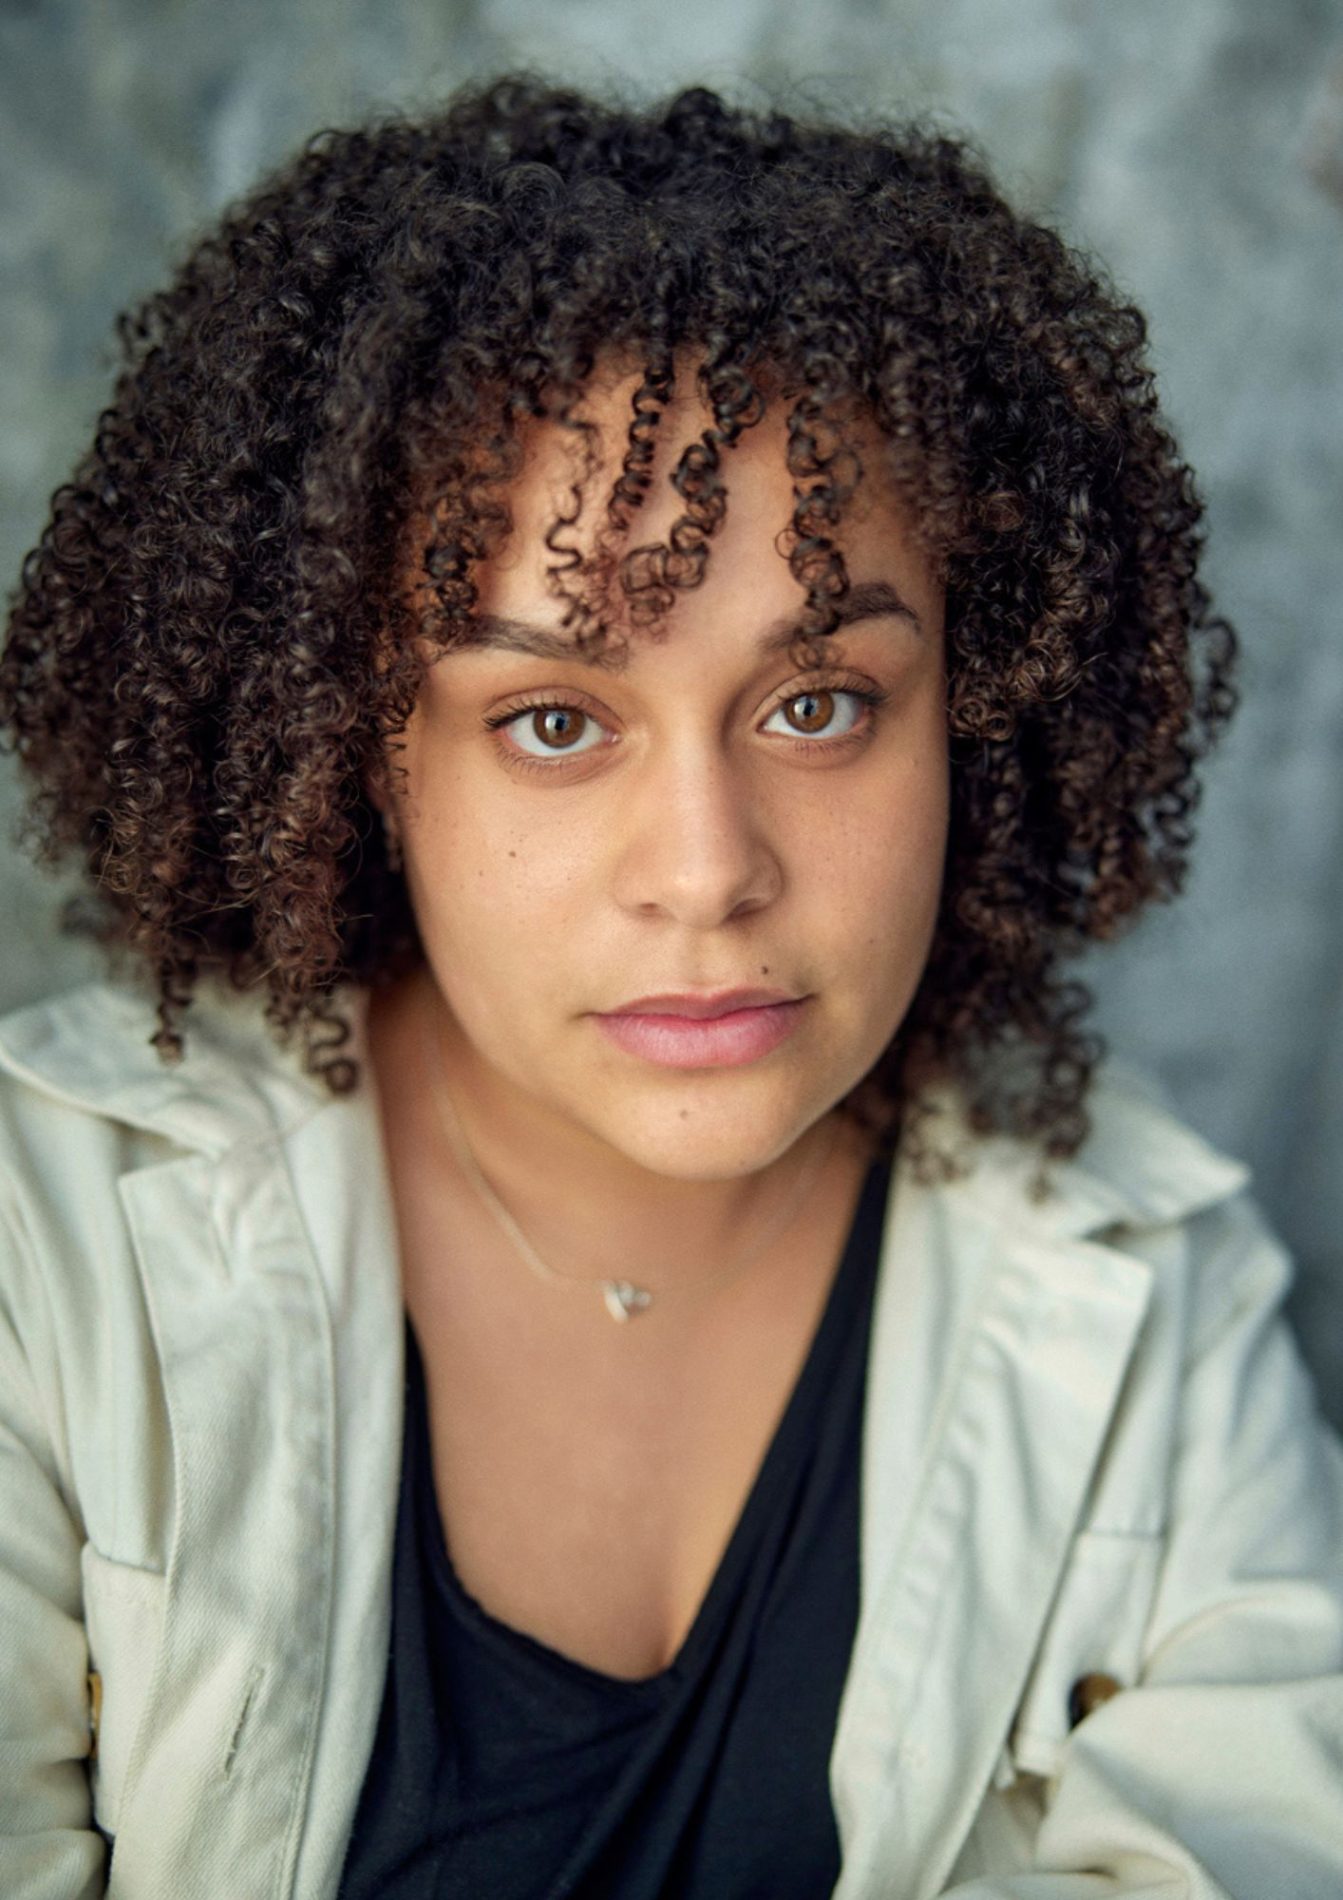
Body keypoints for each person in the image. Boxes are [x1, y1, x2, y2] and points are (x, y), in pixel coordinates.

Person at [0, 73, 1340, 1900]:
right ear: (352, 751)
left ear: (985, 708)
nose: (710, 868)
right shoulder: (37, 1257)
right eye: (552, 722)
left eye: (818, 706)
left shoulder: (1162, 1312)